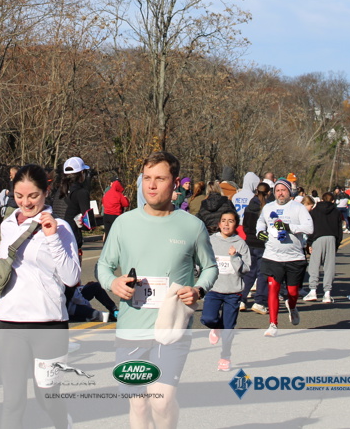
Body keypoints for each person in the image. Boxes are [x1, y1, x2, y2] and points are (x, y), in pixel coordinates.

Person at [97, 151, 218, 429]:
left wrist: (198, 290)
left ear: (175, 183)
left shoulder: (192, 226)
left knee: (161, 401)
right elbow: (104, 266)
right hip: (131, 327)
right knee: (139, 404)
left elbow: (210, 268)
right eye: (146, 178)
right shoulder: (124, 223)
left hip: (171, 327)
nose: (151, 185)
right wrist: (113, 283)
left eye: (159, 179)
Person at [0, 164, 81, 429]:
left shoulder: (61, 227)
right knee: (13, 401)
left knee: (47, 397)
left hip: (48, 324)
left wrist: (52, 237)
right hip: (10, 323)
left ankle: (62, 424)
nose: (26, 202)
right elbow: (9, 265)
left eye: (33, 196)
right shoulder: (8, 224)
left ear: (46, 192)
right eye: (19, 196)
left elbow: (71, 278)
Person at [256, 179, 314, 336]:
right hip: (272, 256)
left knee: (293, 292)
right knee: (273, 289)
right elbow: (260, 222)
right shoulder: (268, 207)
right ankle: (273, 324)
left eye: (283, 190)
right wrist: (260, 232)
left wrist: (289, 227)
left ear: (289, 192)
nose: (280, 193)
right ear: (274, 193)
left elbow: (309, 228)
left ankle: (292, 306)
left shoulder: (298, 207)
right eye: (277, 190)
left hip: (294, 257)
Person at [203, 208, 250, 371]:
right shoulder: (211, 241)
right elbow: (202, 259)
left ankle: (225, 357)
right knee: (207, 318)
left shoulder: (240, 243)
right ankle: (216, 327)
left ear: (236, 224)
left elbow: (246, 269)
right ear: (219, 224)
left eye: (230, 221)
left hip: (233, 291)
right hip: (214, 289)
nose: (226, 224)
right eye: (224, 221)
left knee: (229, 328)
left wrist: (234, 257)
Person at [305, 191, 343, 303]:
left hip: (317, 238)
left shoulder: (315, 211)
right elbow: (339, 230)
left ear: (322, 199)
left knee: (314, 264)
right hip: (331, 238)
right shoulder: (336, 212)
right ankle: (327, 293)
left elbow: (311, 228)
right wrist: (337, 243)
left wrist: (309, 242)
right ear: (333, 201)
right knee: (329, 266)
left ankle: (313, 290)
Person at [241, 181, 271, 313]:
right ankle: (259, 301)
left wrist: (250, 236)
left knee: (249, 272)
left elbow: (245, 226)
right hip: (262, 244)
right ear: (268, 193)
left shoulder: (249, 206)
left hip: (250, 242)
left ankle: (242, 299)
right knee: (262, 273)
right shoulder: (268, 208)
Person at [60, 156, 92, 253]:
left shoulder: (58, 191)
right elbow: (88, 223)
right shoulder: (81, 192)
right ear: (82, 173)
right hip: (72, 240)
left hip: (55, 238)